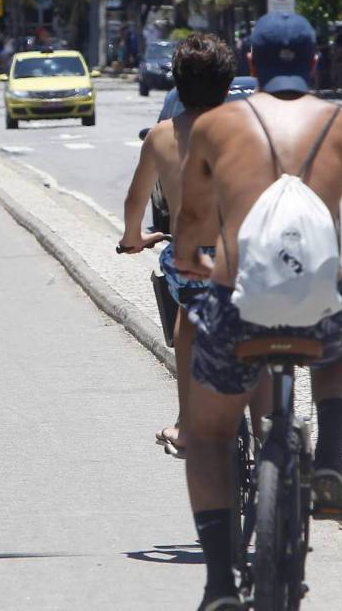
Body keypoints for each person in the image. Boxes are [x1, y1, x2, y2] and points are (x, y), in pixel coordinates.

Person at [173, 12, 342, 609]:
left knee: (207, 436)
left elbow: (194, 223)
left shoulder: (217, 125)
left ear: (250, 65)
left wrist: (193, 264)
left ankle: (220, 585)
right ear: (315, 65)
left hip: (235, 307)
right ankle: (329, 457)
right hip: (315, 306)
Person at [117, 34, 236, 457]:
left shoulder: (163, 136)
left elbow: (136, 201)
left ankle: (188, 424)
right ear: (227, 83)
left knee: (187, 320)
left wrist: (134, 238)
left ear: (177, 84)